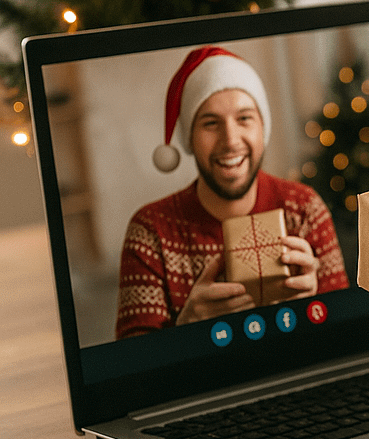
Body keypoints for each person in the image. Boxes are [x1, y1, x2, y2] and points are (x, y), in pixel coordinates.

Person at [117, 45, 348, 339]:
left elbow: (343, 339)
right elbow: (132, 368)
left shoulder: (304, 208)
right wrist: (186, 329)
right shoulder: (150, 230)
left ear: (262, 128)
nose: (230, 140)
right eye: (210, 123)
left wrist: (316, 307)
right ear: (189, 137)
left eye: (244, 118)